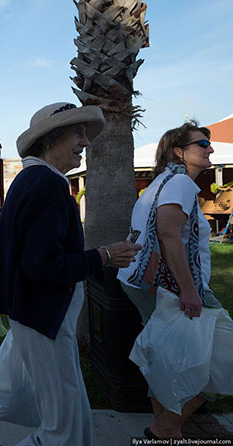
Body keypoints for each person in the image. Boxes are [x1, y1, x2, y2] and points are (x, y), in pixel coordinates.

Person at [0, 102, 141, 446]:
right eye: (77, 132)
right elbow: (43, 265)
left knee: (71, 416)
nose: (85, 142)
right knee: (61, 429)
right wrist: (103, 256)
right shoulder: (47, 184)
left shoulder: (33, 180)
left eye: (85, 134)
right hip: (43, 317)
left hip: (39, 316)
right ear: (48, 140)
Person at [117, 121, 221, 440]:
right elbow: (167, 233)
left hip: (141, 280)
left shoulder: (163, 181)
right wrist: (190, 291)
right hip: (172, 286)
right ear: (179, 152)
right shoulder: (180, 183)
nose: (210, 149)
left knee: (165, 354)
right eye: (202, 144)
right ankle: (165, 426)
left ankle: (165, 426)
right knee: (220, 355)